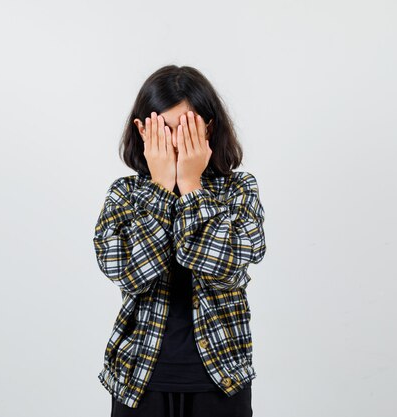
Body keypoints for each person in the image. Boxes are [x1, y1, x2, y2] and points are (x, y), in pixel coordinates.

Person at [93, 65, 266, 417]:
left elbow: (226, 265)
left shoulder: (239, 190)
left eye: (186, 128)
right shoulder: (124, 195)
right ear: (142, 130)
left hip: (222, 377)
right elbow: (127, 273)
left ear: (209, 128)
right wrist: (159, 189)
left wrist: (190, 187)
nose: (174, 141)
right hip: (139, 378)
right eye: (163, 129)